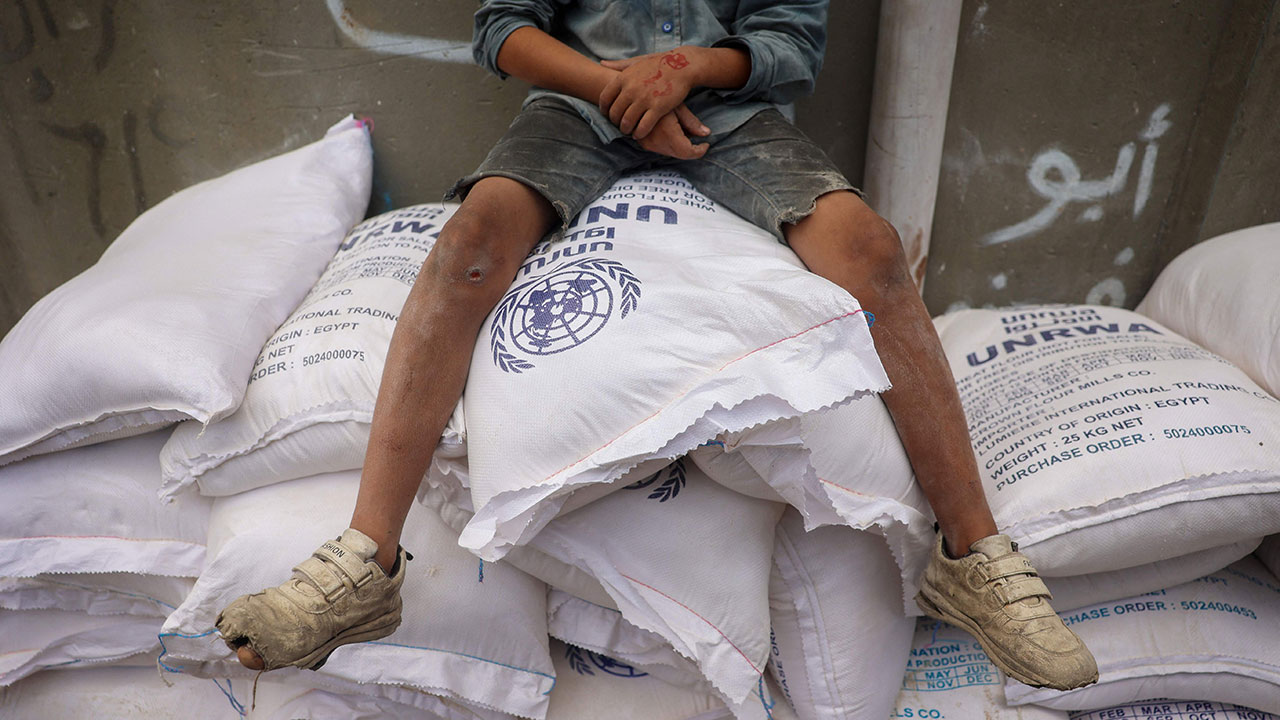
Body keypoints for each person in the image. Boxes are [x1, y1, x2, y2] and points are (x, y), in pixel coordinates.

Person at [216, 0, 1098, 692]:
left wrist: (679, 72)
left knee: (869, 250)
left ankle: (971, 555)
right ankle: (365, 562)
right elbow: (504, 29)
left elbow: (790, 39)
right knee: (466, 247)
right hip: (573, 110)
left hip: (730, 119)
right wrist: (613, 89)